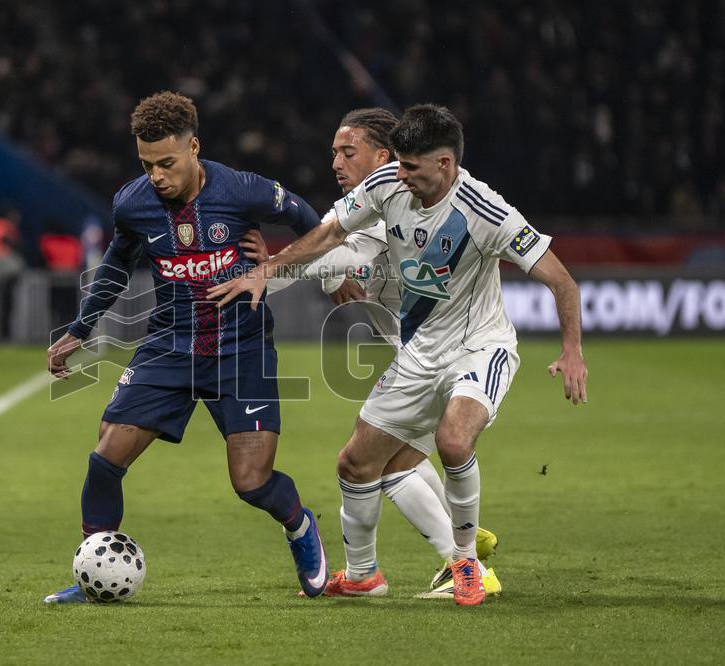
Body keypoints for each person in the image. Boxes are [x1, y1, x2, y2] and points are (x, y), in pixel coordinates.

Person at [210, 104, 588, 606]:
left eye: (410, 167)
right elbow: (328, 237)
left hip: (479, 345)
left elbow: (561, 280)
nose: (401, 176)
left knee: (449, 442)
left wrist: (572, 349)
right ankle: (366, 574)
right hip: (416, 353)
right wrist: (270, 269)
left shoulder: (487, 212)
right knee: (357, 463)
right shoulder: (387, 186)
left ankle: (466, 561)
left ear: (445, 165)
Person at [44, 91, 330, 603]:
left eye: (167, 163)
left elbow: (313, 221)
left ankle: (301, 528)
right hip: (169, 345)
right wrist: (80, 329)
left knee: (251, 482)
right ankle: (95, 570)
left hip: (241, 348)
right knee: (104, 460)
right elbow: (114, 264)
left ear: (194, 147)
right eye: (147, 164)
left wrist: (301, 271)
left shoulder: (244, 190)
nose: (157, 176)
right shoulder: (133, 204)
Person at [260, 108, 501, 599]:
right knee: (391, 459)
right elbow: (329, 247)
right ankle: (459, 541)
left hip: (440, 359)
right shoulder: (366, 207)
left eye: (348, 152)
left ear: (385, 157)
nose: (335, 162)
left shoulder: (400, 207)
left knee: (382, 464)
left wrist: (262, 275)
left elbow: (343, 258)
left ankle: (461, 563)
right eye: (333, 152)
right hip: (420, 358)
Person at [0, 208, 25, 341]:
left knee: (6, 303)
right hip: (0, 264)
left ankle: (2, 334)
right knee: (19, 265)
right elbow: (5, 239)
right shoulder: (1, 223)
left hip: (3, 269)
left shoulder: (5, 225)